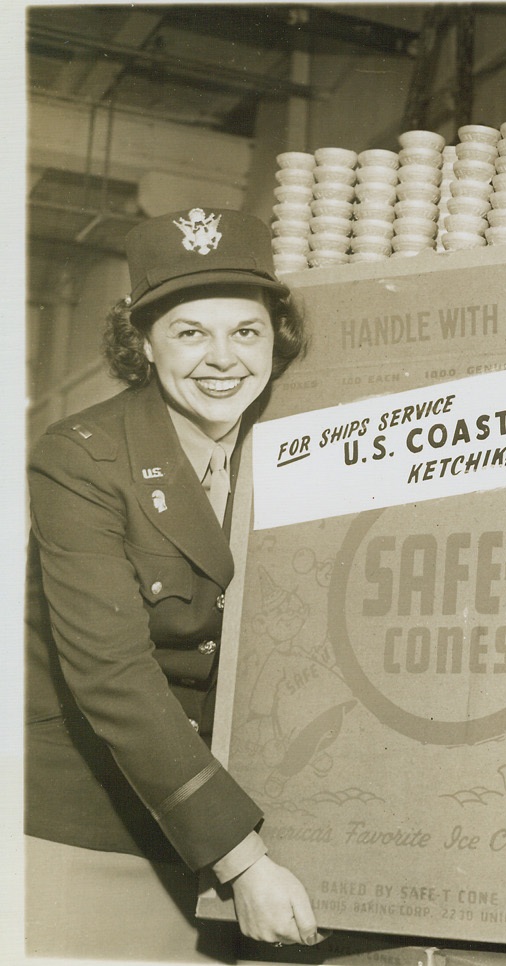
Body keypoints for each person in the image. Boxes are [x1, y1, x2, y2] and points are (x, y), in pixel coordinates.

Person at [25, 207, 326, 961]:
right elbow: (113, 676)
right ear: (144, 343)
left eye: (245, 331)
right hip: (93, 825)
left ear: (276, 338)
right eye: (190, 332)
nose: (223, 359)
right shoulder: (81, 457)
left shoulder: (289, 440)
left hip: (239, 818)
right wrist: (242, 859)